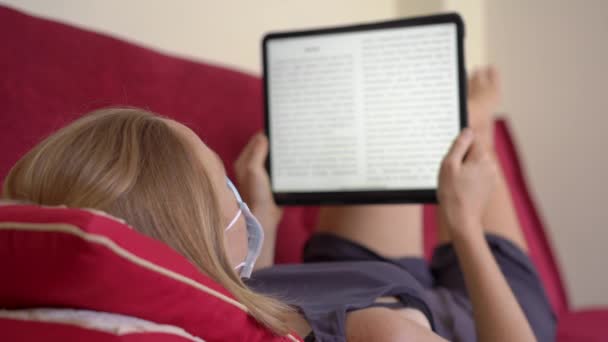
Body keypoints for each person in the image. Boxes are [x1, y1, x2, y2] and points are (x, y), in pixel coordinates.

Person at [2, 67, 555, 341]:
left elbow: (245, 297)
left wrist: (262, 216)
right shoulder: (386, 336)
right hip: (475, 311)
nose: (235, 193)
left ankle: (463, 116)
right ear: (196, 231)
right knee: (463, 144)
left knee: (385, 138)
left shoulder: (225, 285)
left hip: (339, 276)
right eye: (223, 183)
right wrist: (463, 224)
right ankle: (474, 121)